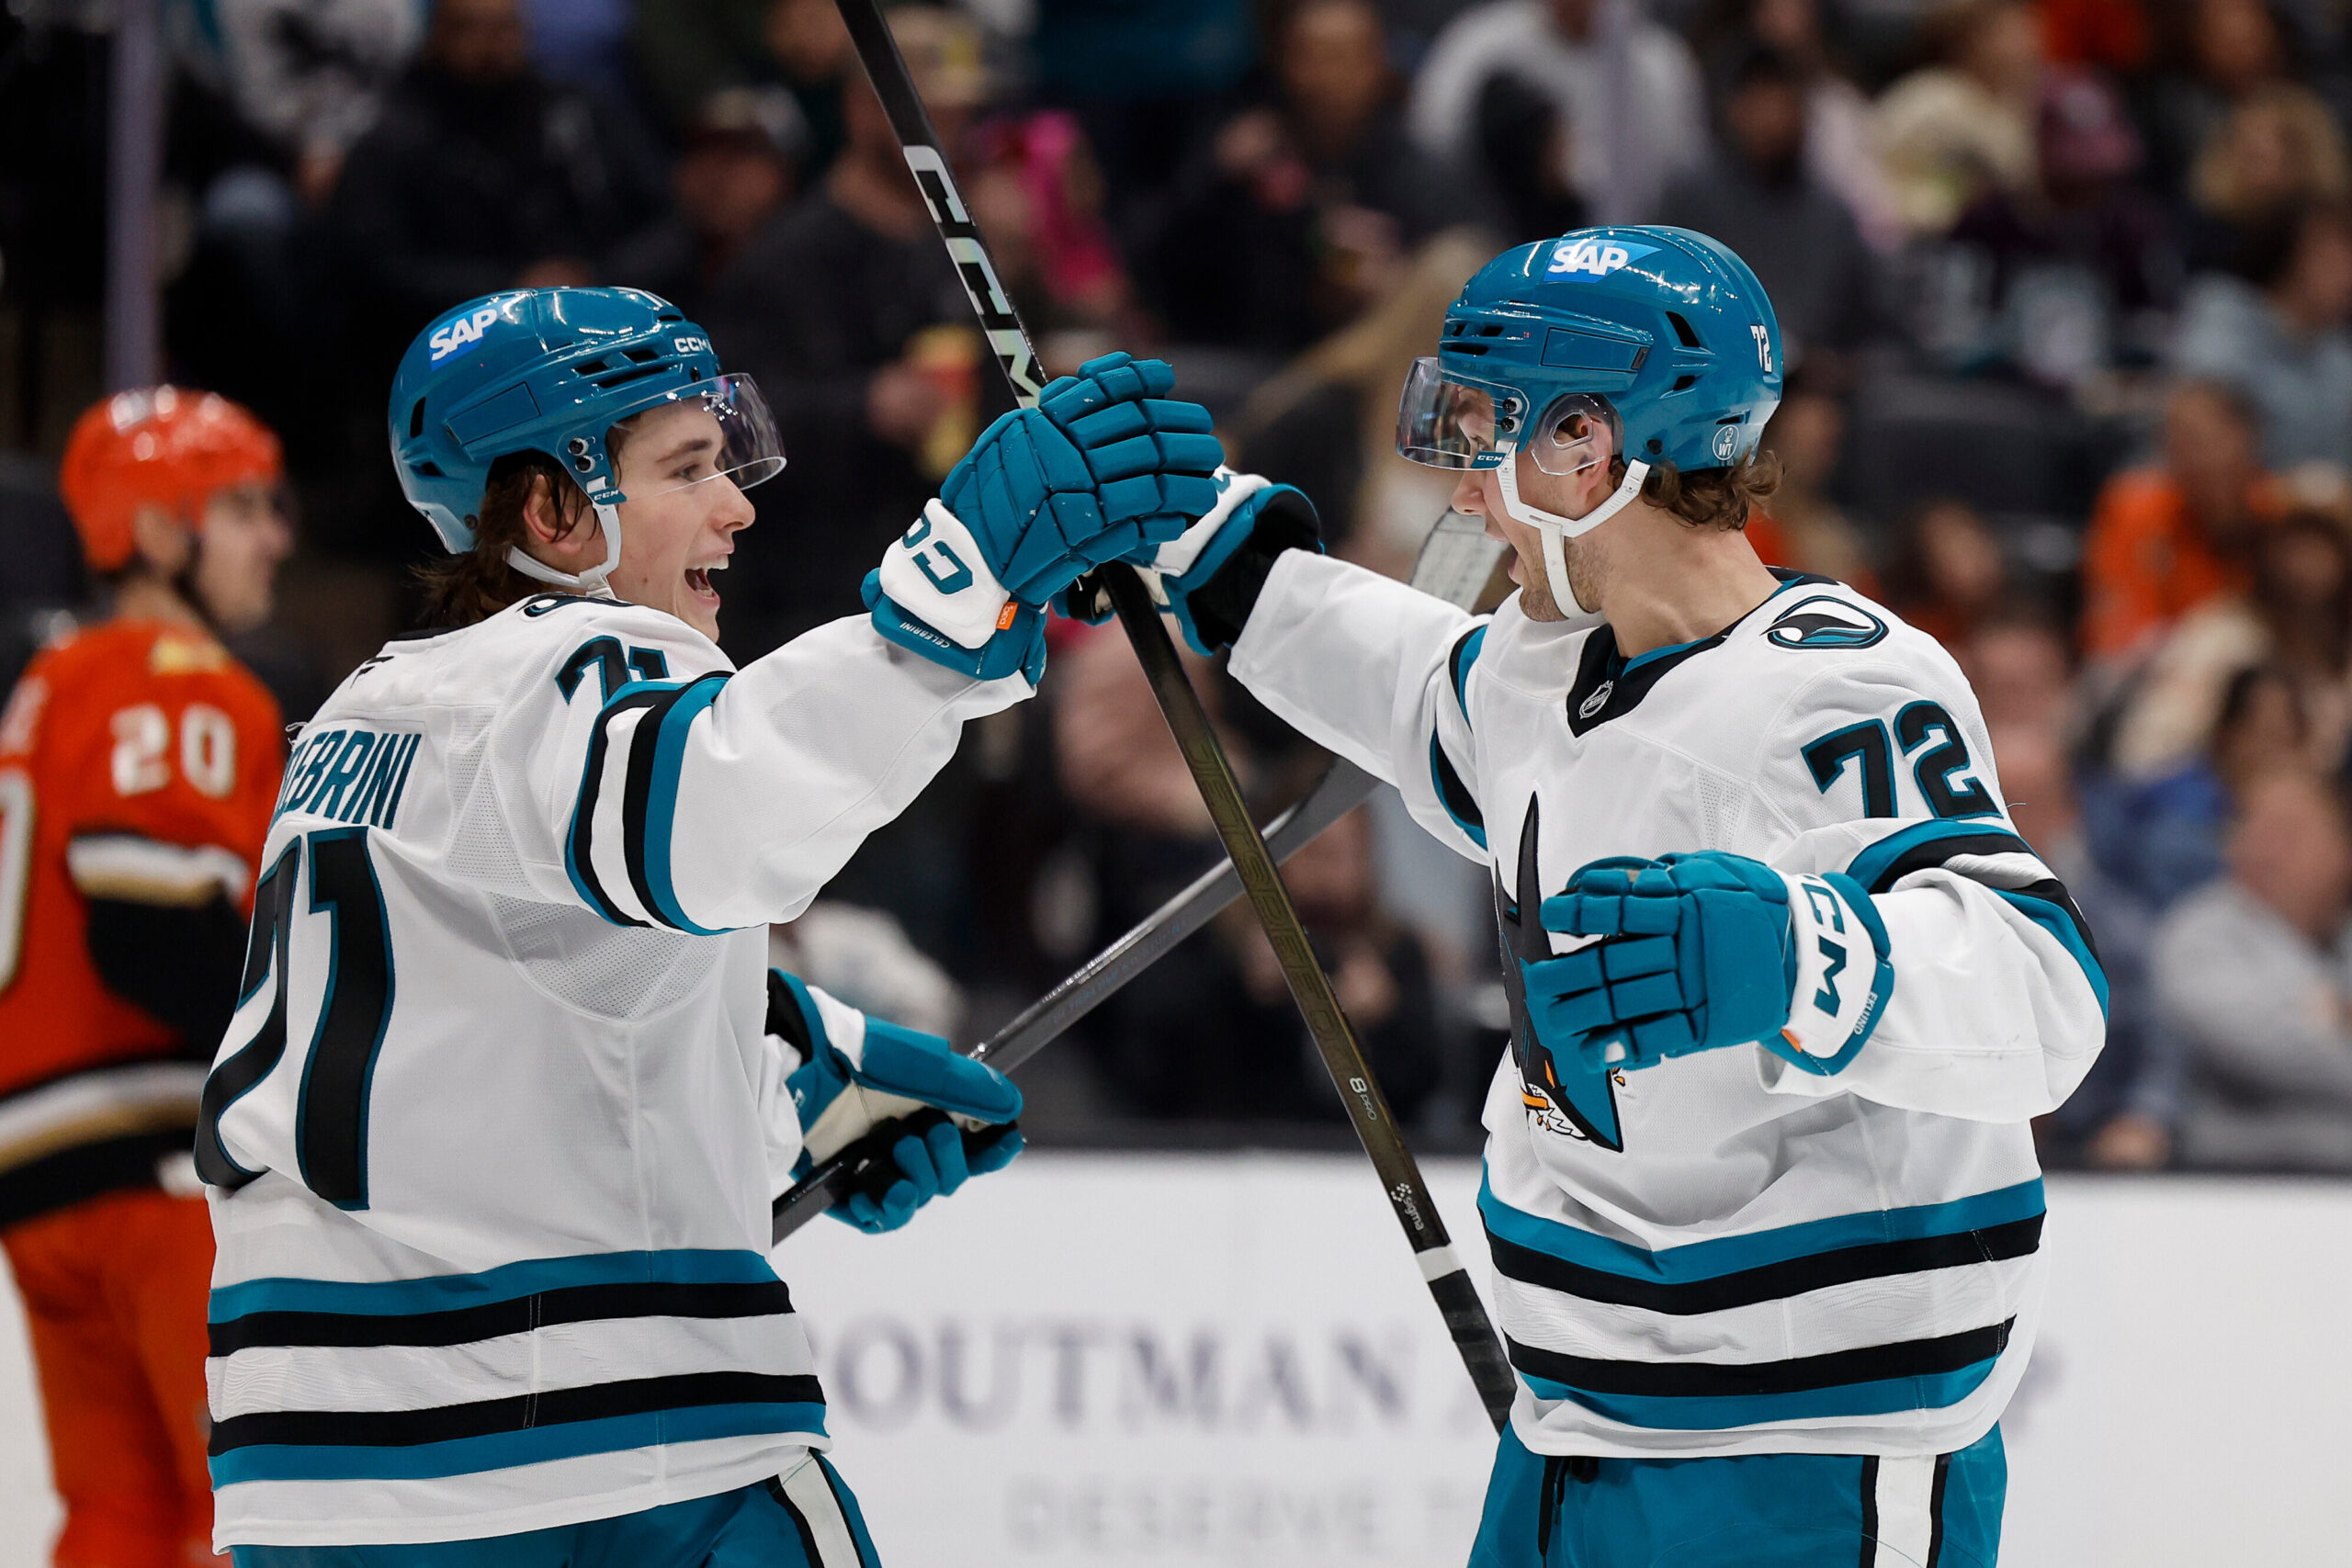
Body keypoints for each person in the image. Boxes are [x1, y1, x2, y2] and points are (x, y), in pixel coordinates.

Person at [1119, 227, 2106, 1562]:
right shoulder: (1552, 658)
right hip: (1575, 1426)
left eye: (1488, 434)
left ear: (1591, 443)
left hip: (1805, 1453)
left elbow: (2044, 994)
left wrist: (1808, 953)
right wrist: (1198, 542)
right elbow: (1418, 689)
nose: (1465, 491)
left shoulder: (1842, 685)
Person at [193, 288, 1222, 1556]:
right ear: (554, 512)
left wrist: (796, 1072)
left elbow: (506, 1012)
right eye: (686, 467)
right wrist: (965, 573)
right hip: (609, 1448)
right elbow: (722, 807)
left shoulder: (366, 714)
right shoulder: (577, 659)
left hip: (313, 1473)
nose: (738, 502)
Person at [0, 388, 292, 1567]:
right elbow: (152, 932)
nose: (274, 536)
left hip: (39, 1169)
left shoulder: (45, 690)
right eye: (241, 509)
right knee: (257, 1510)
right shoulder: (173, 675)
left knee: (122, 1517)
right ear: (163, 529)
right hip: (157, 1162)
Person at [2153, 767, 2352, 1169]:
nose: (2263, 849)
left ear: (2342, 852)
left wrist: (2328, 1016)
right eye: (2250, 828)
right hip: (2239, 1182)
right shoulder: (2196, 934)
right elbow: (2268, 1053)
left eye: (2287, 835)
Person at [1408, 0, 1707, 227]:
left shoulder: (1661, 65)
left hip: (1634, 247)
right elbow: (1431, 147)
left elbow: (1684, 176)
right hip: (1499, 235)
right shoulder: (1481, 47)